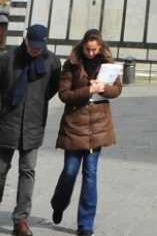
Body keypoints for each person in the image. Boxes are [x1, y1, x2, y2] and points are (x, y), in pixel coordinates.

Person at [0, 25, 61, 236]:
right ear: (26, 41)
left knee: (28, 171)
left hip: (33, 124)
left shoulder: (51, 61)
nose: (36, 50)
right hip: (7, 122)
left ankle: (21, 220)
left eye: (40, 47)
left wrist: (37, 104)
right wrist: (2, 105)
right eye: (33, 46)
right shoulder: (7, 59)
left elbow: (52, 88)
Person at [51, 29, 123, 236]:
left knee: (90, 175)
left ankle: (85, 224)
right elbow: (64, 95)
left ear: (100, 48)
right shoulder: (72, 64)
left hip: (98, 127)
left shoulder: (109, 65)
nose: (91, 53)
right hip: (74, 126)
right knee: (70, 172)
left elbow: (117, 89)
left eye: (94, 50)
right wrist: (87, 91)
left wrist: (103, 89)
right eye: (87, 49)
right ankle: (59, 203)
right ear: (82, 46)